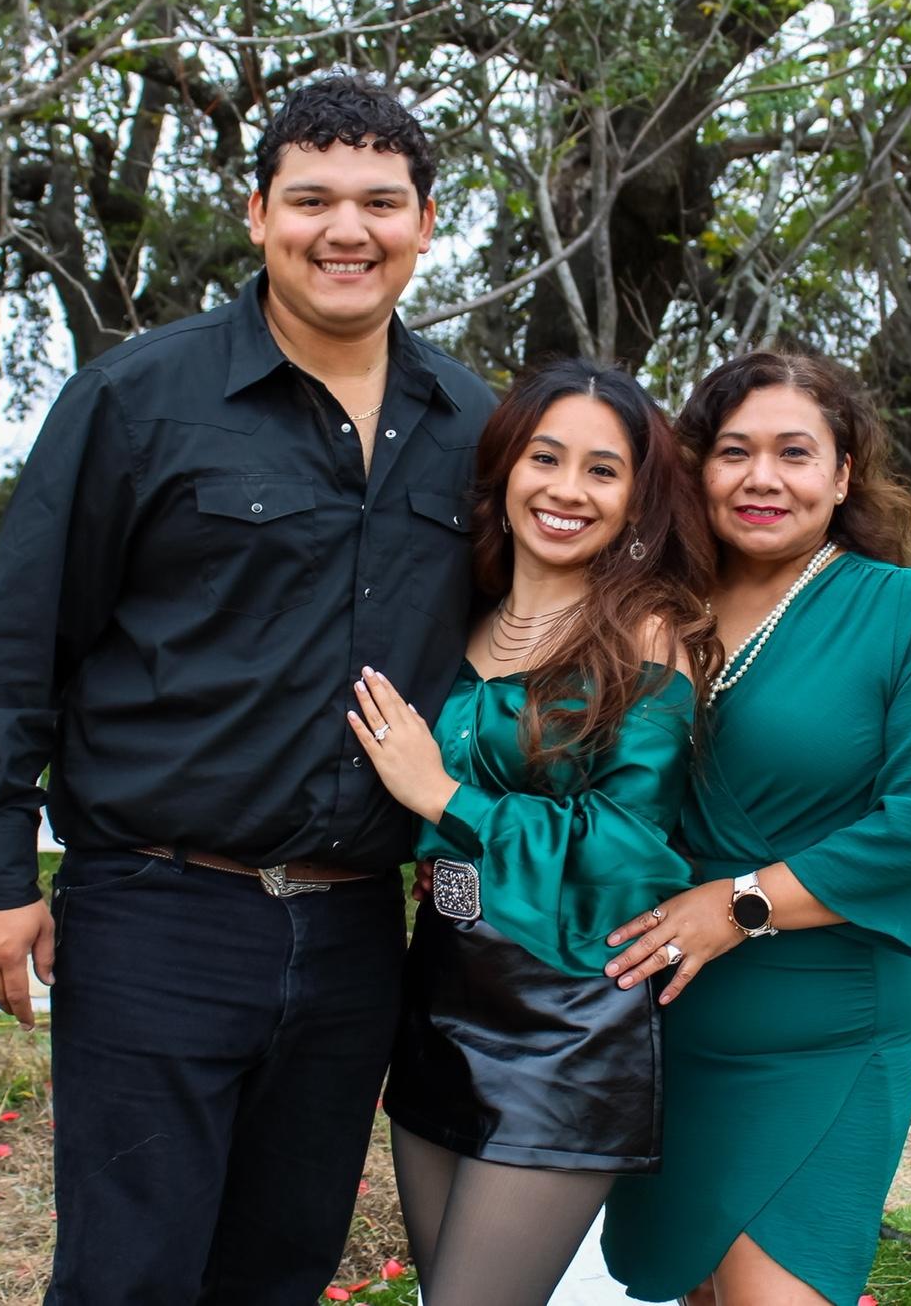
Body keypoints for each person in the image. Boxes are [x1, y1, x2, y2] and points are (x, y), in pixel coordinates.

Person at [0, 76, 495, 1305]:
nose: (345, 230)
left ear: (423, 222)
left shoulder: (475, 428)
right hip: (158, 910)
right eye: (311, 199)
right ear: (256, 214)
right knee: (128, 1275)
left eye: (378, 202)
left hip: (355, 928)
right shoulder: (138, 398)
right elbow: (17, 647)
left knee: (280, 1269)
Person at [598, 350, 911, 1306]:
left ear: (843, 474)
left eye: (794, 452)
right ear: (698, 469)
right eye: (734, 451)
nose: (763, 478)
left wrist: (738, 905)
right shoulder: (652, 608)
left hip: (825, 1029)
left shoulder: (905, 613)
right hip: (666, 1027)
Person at [342, 358, 720, 1306]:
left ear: (636, 501)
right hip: (438, 994)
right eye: (545, 458)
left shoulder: (646, 636)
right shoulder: (454, 618)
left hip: (566, 1017)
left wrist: (445, 799)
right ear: (506, 470)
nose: (567, 489)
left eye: (603, 470)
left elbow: (628, 849)